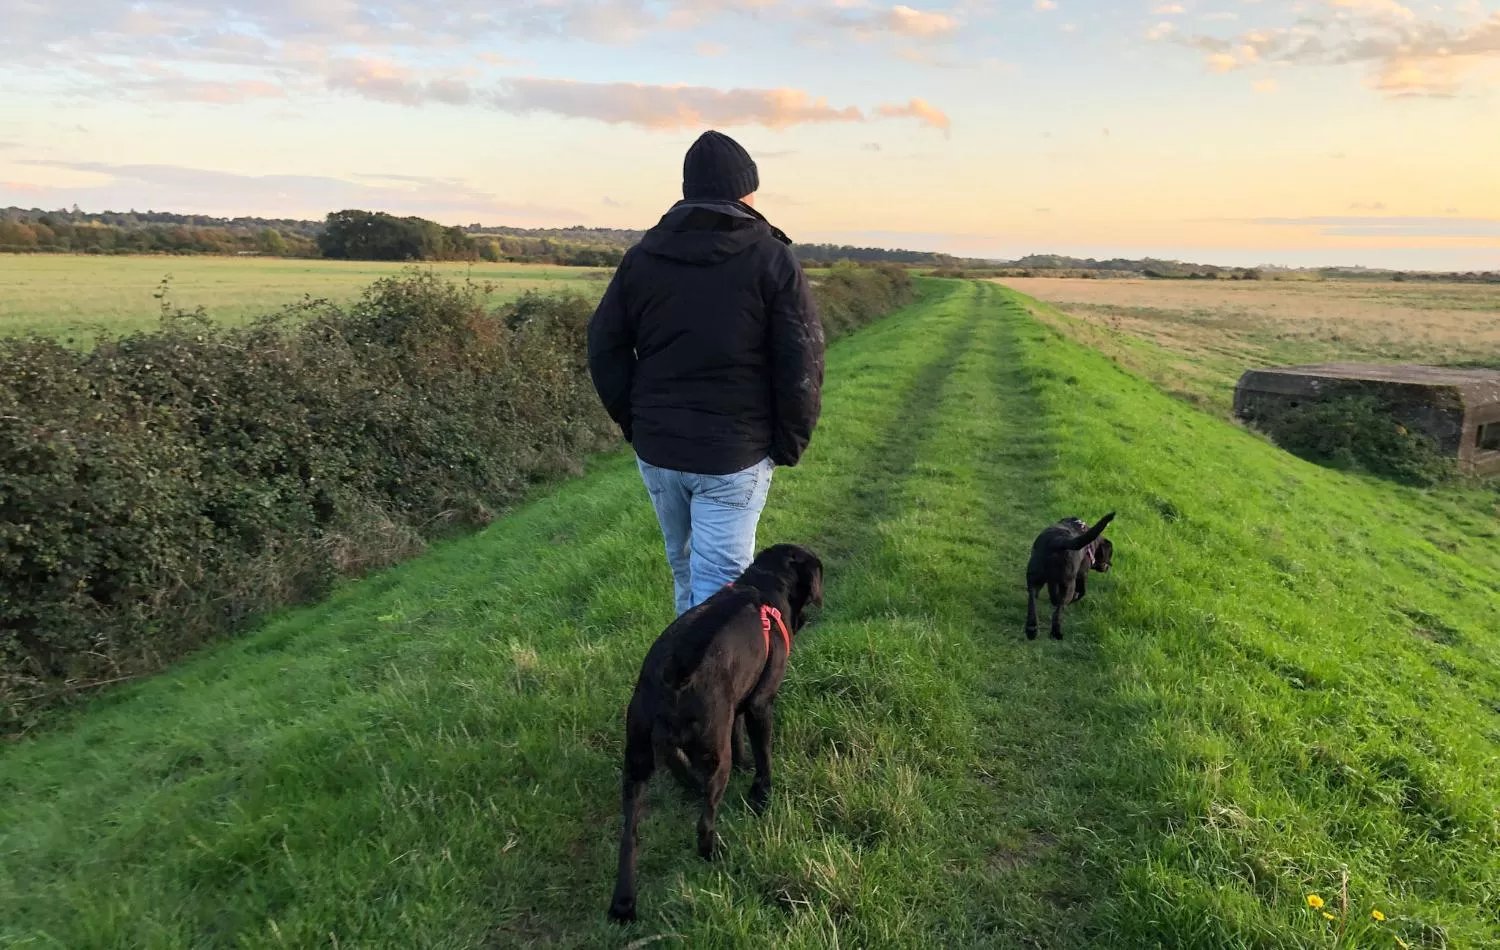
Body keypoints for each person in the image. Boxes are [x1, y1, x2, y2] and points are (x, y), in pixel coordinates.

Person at [587, 130, 825, 616]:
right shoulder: (772, 259)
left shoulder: (642, 258)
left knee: (686, 572)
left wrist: (635, 421)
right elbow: (802, 361)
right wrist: (789, 443)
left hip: (659, 448)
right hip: (734, 453)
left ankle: (681, 662)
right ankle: (708, 667)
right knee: (721, 592)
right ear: (745, 191)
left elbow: (604, 346)